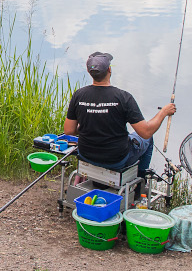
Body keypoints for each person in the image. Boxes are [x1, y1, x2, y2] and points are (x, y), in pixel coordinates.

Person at [63, 51, 174, 184]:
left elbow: (69, 131)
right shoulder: (123, 97)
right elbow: (146, 132)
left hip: (86, 156)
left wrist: (86, 127)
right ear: (109, 70)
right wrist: (164, 112)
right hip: (116, 160)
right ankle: (140, 183)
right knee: (148, 140)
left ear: (89, 72)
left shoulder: (78, 95)